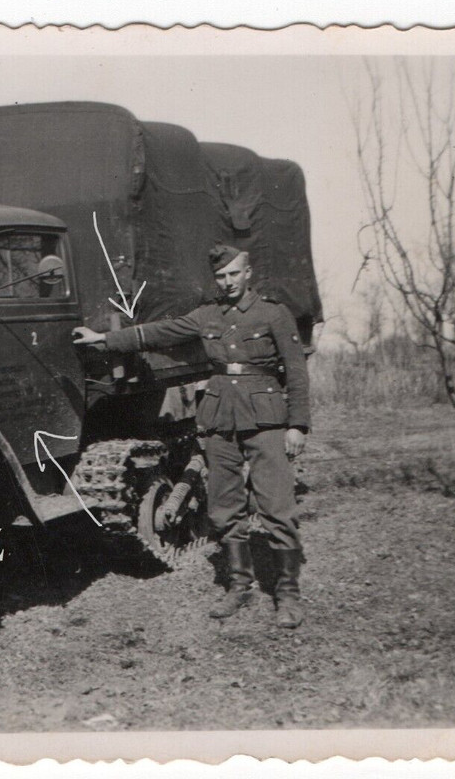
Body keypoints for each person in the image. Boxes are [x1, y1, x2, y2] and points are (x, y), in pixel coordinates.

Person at [73, 245, 311, 627]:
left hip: (266, 421)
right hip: (219, 419)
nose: (228, 282)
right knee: (225, 507)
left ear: (248, 273)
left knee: (276, 508)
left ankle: (287, 596)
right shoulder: (207, 315)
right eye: (221, 276)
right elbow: (158, 332)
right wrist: (103, 340)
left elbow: (297, 373)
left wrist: (297, 425)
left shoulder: (274, 313)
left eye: (234, 274)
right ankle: (239, 587)